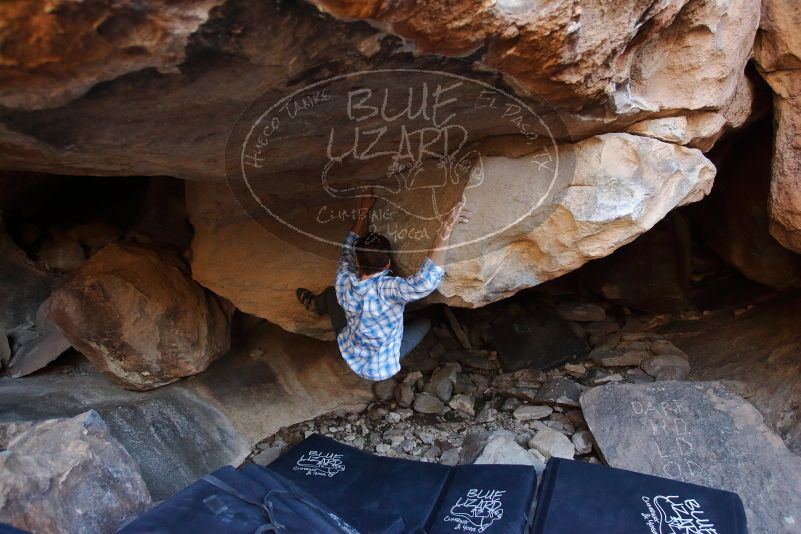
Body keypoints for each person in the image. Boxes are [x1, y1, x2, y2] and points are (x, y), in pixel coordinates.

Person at [297, 190, 471, 380]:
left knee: (331, 294)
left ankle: (314, 304)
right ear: (388, 264)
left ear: (357, 262)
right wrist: (445, 230)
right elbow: (424, 282)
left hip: (351, 351)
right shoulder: (388, 290)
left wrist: (364, 210)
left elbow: (347, 247)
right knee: (425, 321)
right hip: (381, 368)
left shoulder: (343, 278)